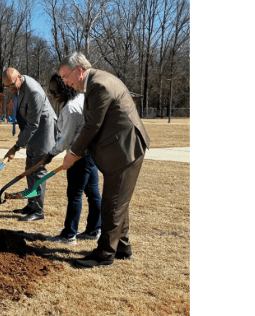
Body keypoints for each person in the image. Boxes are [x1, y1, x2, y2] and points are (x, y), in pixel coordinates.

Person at [57, 52, 150, 268]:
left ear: (79, 70)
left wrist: (73, 154)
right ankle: (123, 247)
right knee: (118, 201)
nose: (65, 82)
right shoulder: (96, 82)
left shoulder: (99, 85)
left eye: (65, 76)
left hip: (126, 149)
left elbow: (92, 126)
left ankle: (105, 253)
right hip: (121, 149)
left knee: (112, 203)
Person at [41, 74, 102, 245]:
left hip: (78, 157)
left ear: (66, 87)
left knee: (75, 195)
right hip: (90, 155)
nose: (54, 95)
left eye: (56, 91)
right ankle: (93, 231)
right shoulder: (82, 99)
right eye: (51, 92)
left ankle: (68, 235)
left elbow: (65, 140)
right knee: (93, 194)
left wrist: (50, 154)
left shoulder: (70, 109)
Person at [2, 67, 57, 221]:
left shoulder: (33, 92)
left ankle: (38, 211)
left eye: (12, 85)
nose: (10, 89)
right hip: (33, 131)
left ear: (19, 77)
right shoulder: (20, 87)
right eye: (7, 87)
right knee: (29, 168)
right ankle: (31, 204)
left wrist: (16, 147)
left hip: (43, 131)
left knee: (38, 170)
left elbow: (33, 125)